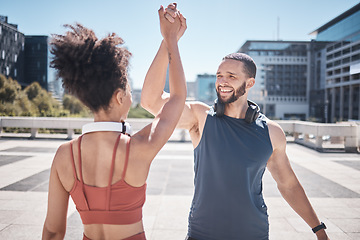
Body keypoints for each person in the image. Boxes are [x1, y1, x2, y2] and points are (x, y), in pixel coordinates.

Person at [141, 5, 330, 240]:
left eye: (231, 76)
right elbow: (150, 101)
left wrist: (318, 230)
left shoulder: (272, 132)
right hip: (203, 234)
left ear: (249, 83)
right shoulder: (201, 118)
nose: (222, 81)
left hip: (254, 234)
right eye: (220, 75)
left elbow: (289, 185)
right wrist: (169, 39)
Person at [42, 5, 187, 240]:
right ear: (120, 96)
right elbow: (177, 98)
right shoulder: (140, 147)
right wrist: (170, 39)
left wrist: (168, 40)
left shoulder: (63, 154)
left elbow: (53, 230)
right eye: (129, 89)